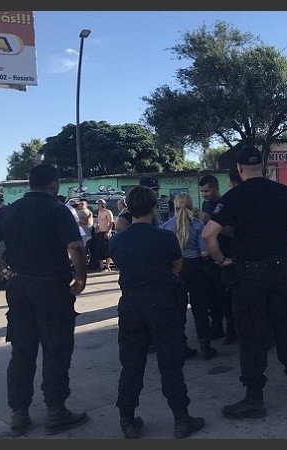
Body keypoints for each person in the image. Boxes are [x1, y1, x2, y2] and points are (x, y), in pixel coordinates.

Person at [0, 164, 90, 437]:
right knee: (56, 349)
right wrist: (81, 277)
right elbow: (75, 246)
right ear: (53, 184)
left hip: (20, 287)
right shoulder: (57, 210)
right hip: (52, 288)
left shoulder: (9, 211)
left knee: (22, 352)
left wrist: (4, 271)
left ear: (30, 183)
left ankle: (19, 414)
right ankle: (55, 411)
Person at [202, 146, 287, 418]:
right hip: (279, 271)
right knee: (284, 326)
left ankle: (254, 399)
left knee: (252, 335)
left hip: (248, 274)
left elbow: (208, 235)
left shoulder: (234, 196)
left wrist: (220, 261)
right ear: (263, 167)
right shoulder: (284, 192)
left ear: (239, 170)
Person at [107, 186, 206, 439]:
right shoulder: (165, 237)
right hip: (162, 304)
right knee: (170, 364)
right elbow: (177, 265)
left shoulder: (117, 240)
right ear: (154, 208)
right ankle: (181, 420)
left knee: (131, 365)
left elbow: (120, 264)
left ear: (128, 209)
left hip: (131, 306)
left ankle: (126, 419)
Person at [160, 192, 219, 360]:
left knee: (178, 311)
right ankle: (205, 347)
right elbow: (204, 252)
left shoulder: (165, 227)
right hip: (196, 269)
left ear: (175, 206)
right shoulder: (199, 225)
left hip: (177, 271)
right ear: (191, 205)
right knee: (200, 309)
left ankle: (181, 347)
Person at [198, 173, 238, 345]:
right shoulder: (206, 205)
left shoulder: (227, 204)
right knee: (212, 296)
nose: (204, 194)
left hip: (226, 255)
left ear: (215, 188)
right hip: (210, 257)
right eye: (202, 192)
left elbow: (232, 232)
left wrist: (213, 223)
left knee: (227, 297)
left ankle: (231, 330)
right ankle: (216, 327)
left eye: (207, 191)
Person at [95, 199, 115, 271]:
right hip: (100, 232)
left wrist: (108, 231)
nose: (96, 206)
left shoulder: (108, 212)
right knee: (99, 249)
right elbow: (98, 221)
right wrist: (96, 227)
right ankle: (101, 266)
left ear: (101, 205)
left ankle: (107, 265)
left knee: (107, 249)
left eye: (97, 204)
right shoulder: (99, 212)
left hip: (106, 232)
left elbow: (111, 222)